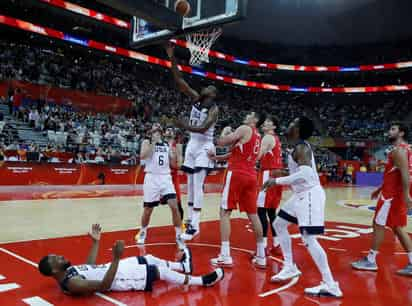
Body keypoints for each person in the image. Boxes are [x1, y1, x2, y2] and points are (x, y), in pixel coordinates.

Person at [263, 117, 342, 297]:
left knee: (309, 239)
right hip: (300, 195)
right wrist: (283, 172)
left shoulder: (301, 147)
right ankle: (290, 266)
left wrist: (277, 180)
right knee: (279, 224)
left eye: (293, 122)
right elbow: (300, 172)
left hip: (309, 195)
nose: (289, 124)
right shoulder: (297, 146)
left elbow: (305, 174)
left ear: (297, 129)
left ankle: (330, 284)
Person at [38, 224, 224, 295]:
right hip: (118, 278)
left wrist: (95, 243)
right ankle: (202, 282)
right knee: (158, 272)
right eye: (57, 259)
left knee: (148, 258)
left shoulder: (70, 272)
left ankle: (183, 266)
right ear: (54, 270)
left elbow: (89, 267)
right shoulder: (72, 284)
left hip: (114, 267)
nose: (61, 256)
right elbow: (103, 285)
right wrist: (117, 258)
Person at [166, 44, 219, 241]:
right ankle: (189, 221)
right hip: (192, 144)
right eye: (207, 87)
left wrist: (184, 125)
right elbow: (179, 80)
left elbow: (204, 128)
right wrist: (171, 56)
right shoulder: (196, 98)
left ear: (213, 95)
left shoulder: (214, 109)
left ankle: (195, 224)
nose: (207, 88)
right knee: (189, 184)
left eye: (211, 89)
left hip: (205, 145)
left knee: (197, 185)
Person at [352, 123, 412, 276]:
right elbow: (395, 174)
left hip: (391, 196)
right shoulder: (405, 149)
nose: (389, 131)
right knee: (397, 227)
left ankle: (371, 261)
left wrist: (406, 195)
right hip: (393, 193)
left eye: (393, 129)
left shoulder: (399, 151)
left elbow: (405, 175)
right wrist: (379, 189)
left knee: (378, 224)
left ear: (402, 133)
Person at [208, 112, 266, 268]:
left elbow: (221, 142)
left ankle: (225, 255)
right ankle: (261, 256)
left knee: (224, 211)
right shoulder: (258, 137)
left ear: (255, 119)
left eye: (251, 114)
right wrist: (216, 159)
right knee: (253, 215)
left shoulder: (245, 128)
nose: (247, 115)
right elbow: (233, 153)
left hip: (237, 174)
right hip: (251, 176)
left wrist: (225, 131)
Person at [135, 124, 183, 246]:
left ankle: (178, 234)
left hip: (165, 178)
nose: (157, 132)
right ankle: (143, 232)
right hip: (151, 178)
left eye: (158, 130)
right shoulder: (147, 142)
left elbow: (173, 164)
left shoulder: (167, 145)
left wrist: (174, 154)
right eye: (155, 130)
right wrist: (154, 143)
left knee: (174, 205)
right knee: (148, 210)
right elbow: (143, 155)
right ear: (151, 132)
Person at [256, 116, 283, 254]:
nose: (264, 124)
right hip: (277, 175)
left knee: (261, 210)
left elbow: (257, 156)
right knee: (272, 212)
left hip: (268, 174)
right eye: (264, 121)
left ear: (274, 127)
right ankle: (277, 244)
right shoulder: (277, 139)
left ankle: (264, 245)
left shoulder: (267, 138)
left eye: (268, 122)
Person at [162, 126, 184, 221]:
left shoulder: (177, 146)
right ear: (164, 134)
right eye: (167, 129)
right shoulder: (159, 145)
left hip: (173, 178)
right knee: (149, 205)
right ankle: (144, 229)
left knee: (178, 204)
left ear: (174, 135)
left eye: (172, 130)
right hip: (160, 177)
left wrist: (173, 163)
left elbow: (179, 164)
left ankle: (180, 226)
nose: (170, 131)